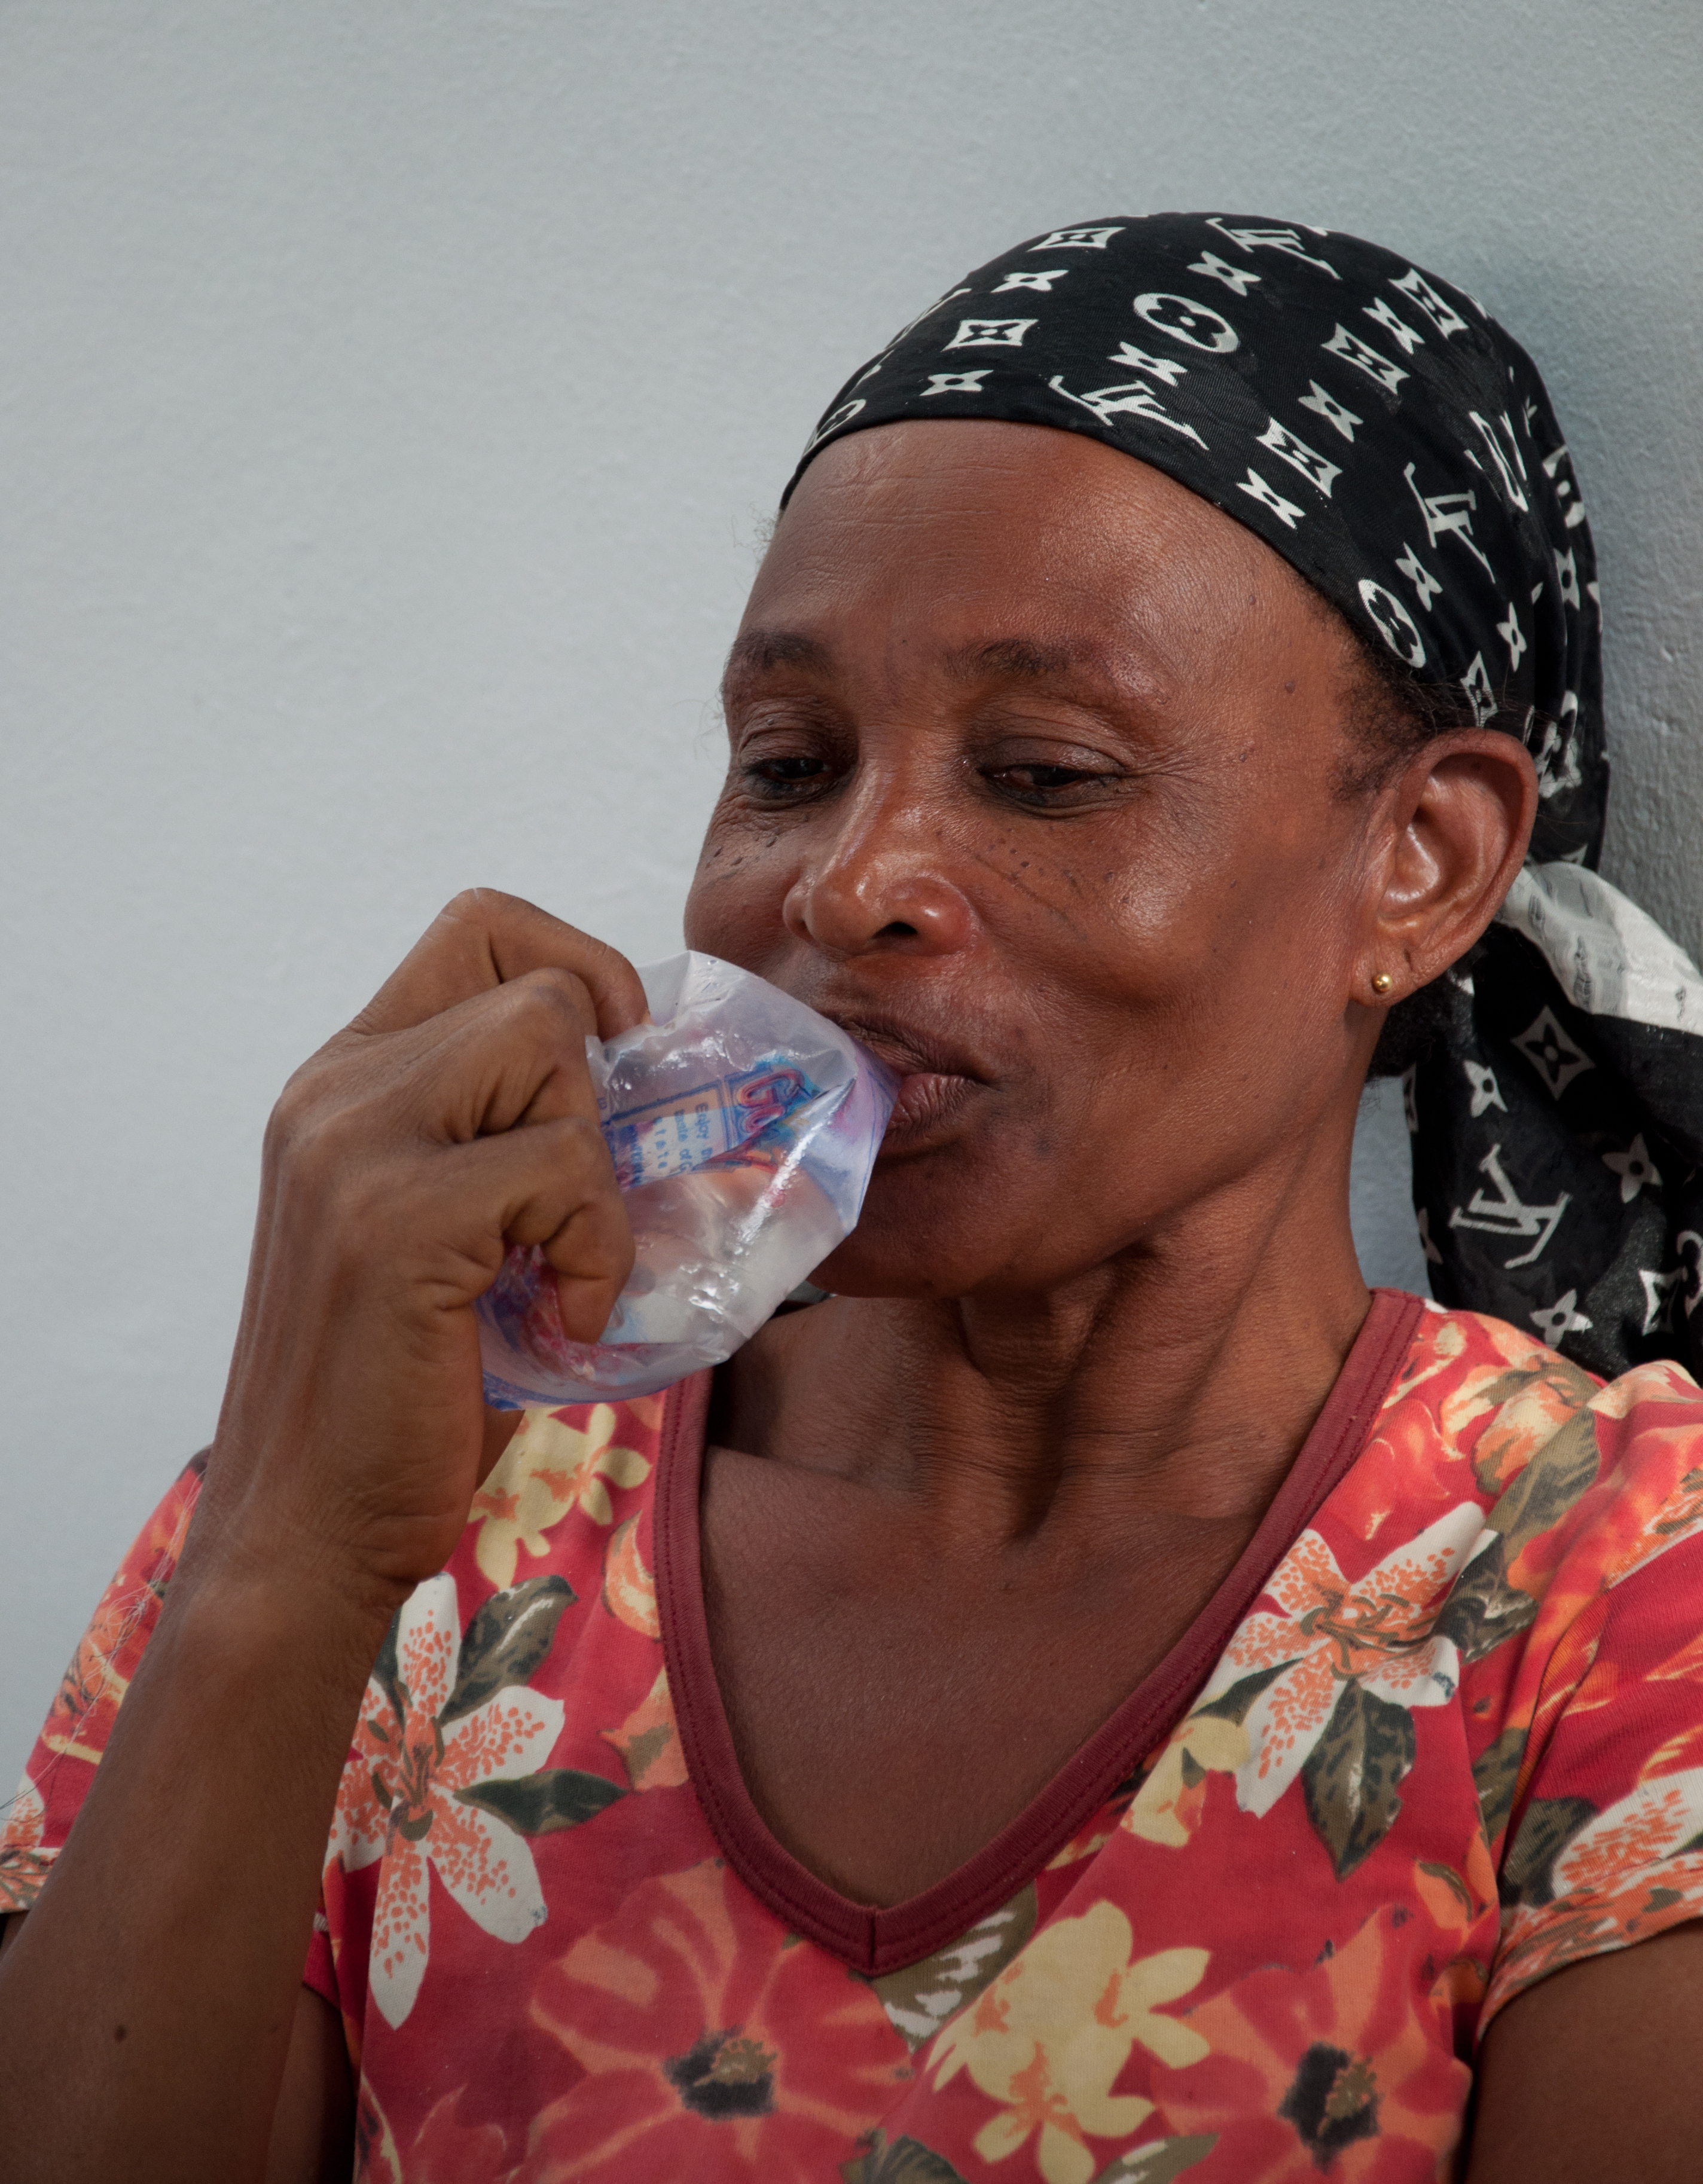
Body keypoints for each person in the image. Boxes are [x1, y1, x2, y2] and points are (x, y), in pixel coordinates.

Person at [3, 213, 1703, 2184]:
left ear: (1421, 861)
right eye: (792, 761)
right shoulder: (407, 1526)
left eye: (1047, 771)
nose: (845, 883)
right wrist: (285, 1562)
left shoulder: (1613, 1593)